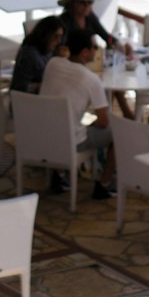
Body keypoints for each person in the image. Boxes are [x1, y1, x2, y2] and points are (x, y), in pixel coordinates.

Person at [39, 27, 116, 198]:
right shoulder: (91, 80)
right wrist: (89, 124)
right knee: (118, 134)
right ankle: (104, 184)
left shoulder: (53, 63)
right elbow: (104, 122)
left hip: (40, 136)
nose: (97, 50)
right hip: (69, 142)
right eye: (95, 47)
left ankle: (58, 175)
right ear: (84, 52)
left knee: (62, 122)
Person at [10, 15, 66, 94]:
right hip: (25, 102)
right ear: (45, 35)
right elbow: (19, 87)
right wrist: (43, 86)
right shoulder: (30, 55)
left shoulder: (46, 50)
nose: (59, 41)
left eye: (60, 37)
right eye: (55, 36)